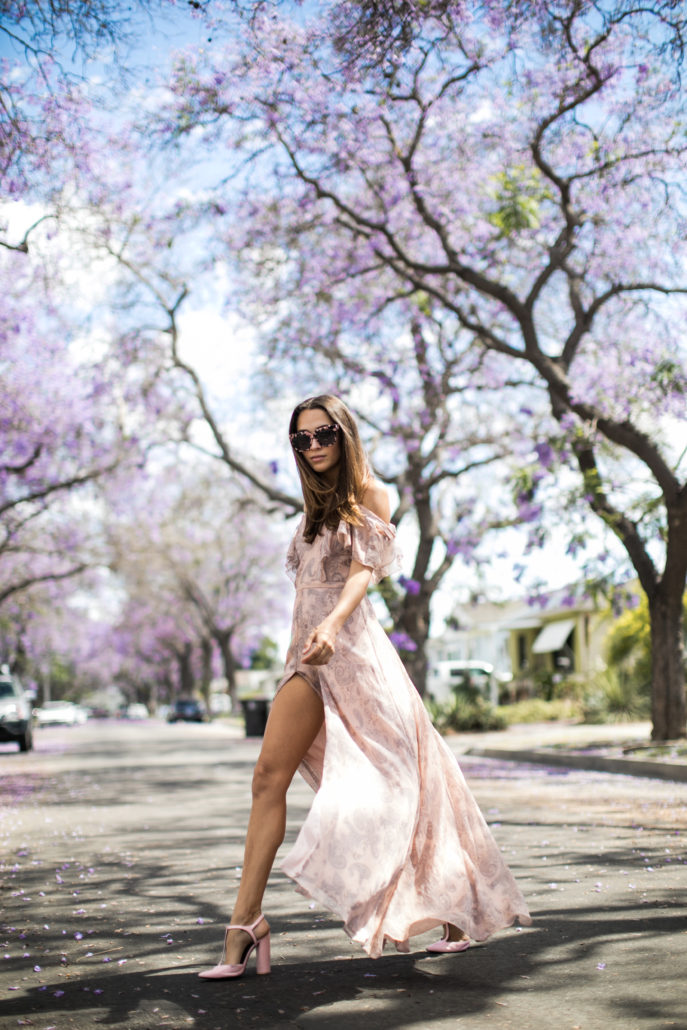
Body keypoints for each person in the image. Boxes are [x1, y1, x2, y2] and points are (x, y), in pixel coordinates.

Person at [199, 394, 531, 980]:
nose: (313, 445)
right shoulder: (309, 511)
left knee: (406, 789)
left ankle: (451, 904)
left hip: (355, 659)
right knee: (266, 778)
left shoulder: (374, 496)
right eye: (301, 439)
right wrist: (308, 637)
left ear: (345, 433)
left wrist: (330, 624)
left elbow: (360, 576)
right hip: (305, 661)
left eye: (323, 433)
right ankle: (245, 922)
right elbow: (304, 592)